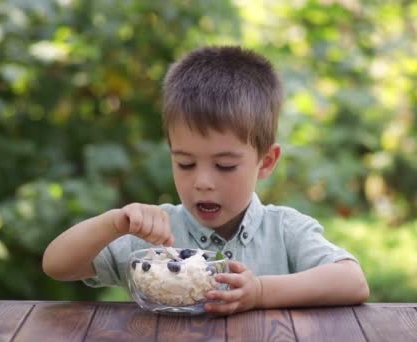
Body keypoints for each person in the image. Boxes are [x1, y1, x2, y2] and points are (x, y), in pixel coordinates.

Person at [42, 46, 369, 315]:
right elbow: (57, 265)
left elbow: (353, 281)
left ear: (265, 161)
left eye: (225, 166)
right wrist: (114, 222)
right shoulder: (155, 236)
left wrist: (260, 292)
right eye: (185, 163)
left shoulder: (285, 231)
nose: (202, 182)